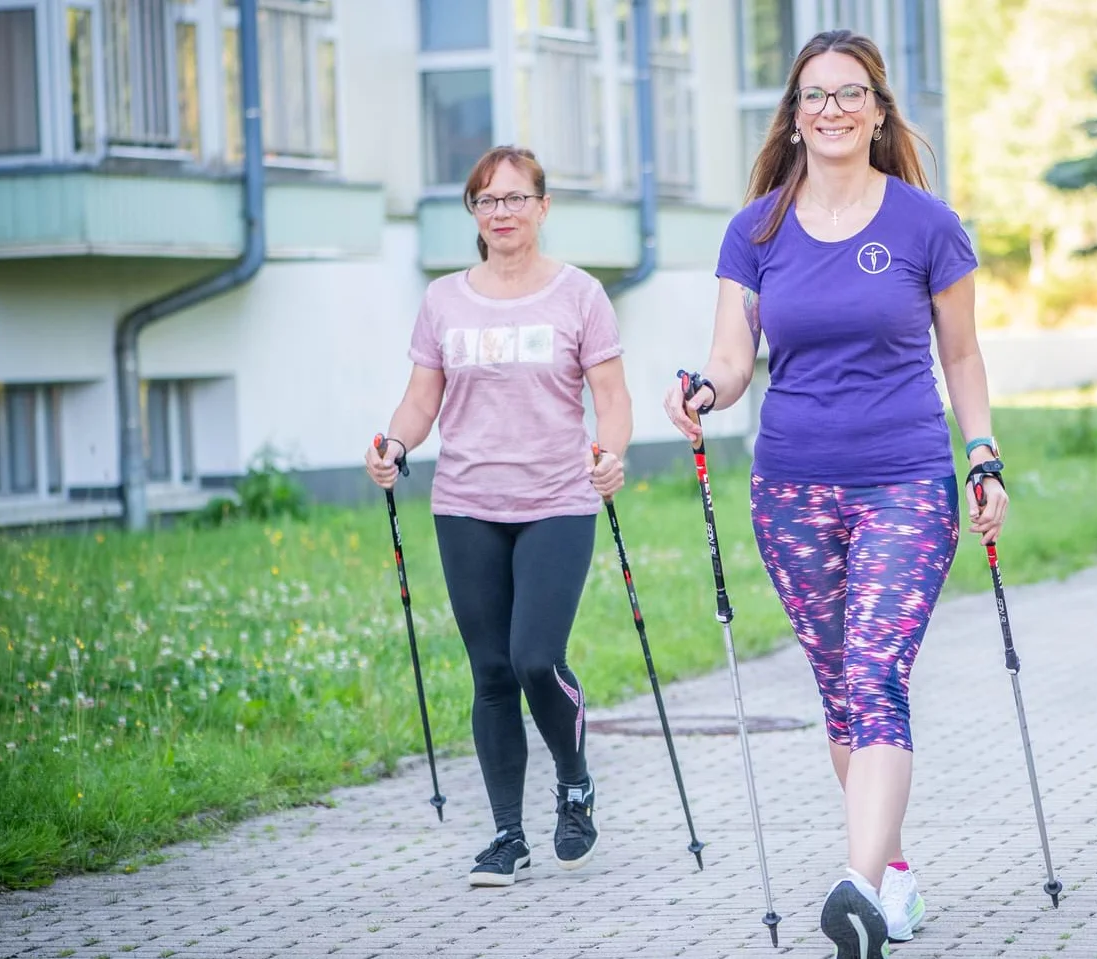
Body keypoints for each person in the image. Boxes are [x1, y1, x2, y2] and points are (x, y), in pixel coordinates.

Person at [661, 29, 1005, 957]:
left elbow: (962, 355)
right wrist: (703, 388)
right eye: (814, 96)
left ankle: (853, 883)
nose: (832, 111)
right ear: (795, 115)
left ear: (880, 110)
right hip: (790, 486)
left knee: (875, 673)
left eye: (850, 94)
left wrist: (983, 454)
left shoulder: (927, 223)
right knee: (837, 690)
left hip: (906, 480)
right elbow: (735, 359)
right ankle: (891, 877)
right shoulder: (758, 228)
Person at [366, 145, 632, 887]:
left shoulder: (579, 295)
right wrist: (393, 442)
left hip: (557, 500)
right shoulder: (445, 300)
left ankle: (574, 779)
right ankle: (506, 834)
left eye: (517, 199)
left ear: (543, 208)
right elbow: (422, 400)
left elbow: (611, 397)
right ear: (474, 215)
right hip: (465, 504)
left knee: (534, 657)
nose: (503, 213)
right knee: (490, 673)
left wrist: (609, 451)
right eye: (488, 201)